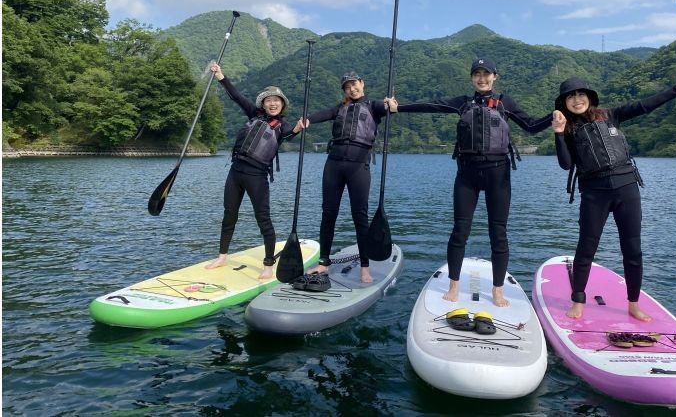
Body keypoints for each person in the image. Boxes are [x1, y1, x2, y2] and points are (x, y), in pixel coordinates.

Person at [387, 59, 551, 307]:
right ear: (472, 77)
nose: (482, 78)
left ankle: (497, 290)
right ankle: (454, 285)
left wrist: (557, 116)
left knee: (498, 233)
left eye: (486, 74)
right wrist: (400, 108)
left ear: (495, 76)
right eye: (477, 74)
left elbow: (531, 126)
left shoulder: (506, 103)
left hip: (499, 174)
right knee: (460, 231)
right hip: (467, 174)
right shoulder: (463, 103)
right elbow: (433, 106)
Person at [551, 74, 676, 321]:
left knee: (632, 249)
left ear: (589, 97)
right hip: (594, 193)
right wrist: (558, 133)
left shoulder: (609, 115)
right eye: (571, 96)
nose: (577, 100)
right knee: (586, 248)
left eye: (580, 94)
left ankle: (633, 304)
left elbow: (643, 106)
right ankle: (578, 301)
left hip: (626, 187)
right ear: (564, 103)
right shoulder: (568, 129)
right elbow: (566, 164)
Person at [205, 61, 302, 280]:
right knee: (229, 215)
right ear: (264, 104)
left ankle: (268, 265)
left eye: (276, 100)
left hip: (257, 177)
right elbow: (236, 96)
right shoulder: (254, 114)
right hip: (235, 173)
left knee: (263, 220)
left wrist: (297, 128)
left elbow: (290, 133)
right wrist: (221, 75)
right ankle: (222, 256)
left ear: (282, 104)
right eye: (269, 100)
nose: (273, 103)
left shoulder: (284, 127)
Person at [297, 71, 391, 289]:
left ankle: (365, 266)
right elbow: (321, 114)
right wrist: (306, 120)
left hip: (358, 166)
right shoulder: (340, 108)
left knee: (360, 215)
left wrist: (391, 105)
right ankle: (323, 263)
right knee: (328, 213)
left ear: (362, 83)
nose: (352, 89)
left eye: (354, 84)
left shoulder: (374, 106)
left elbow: (389, 108)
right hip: (334, 165)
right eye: (347, 86)